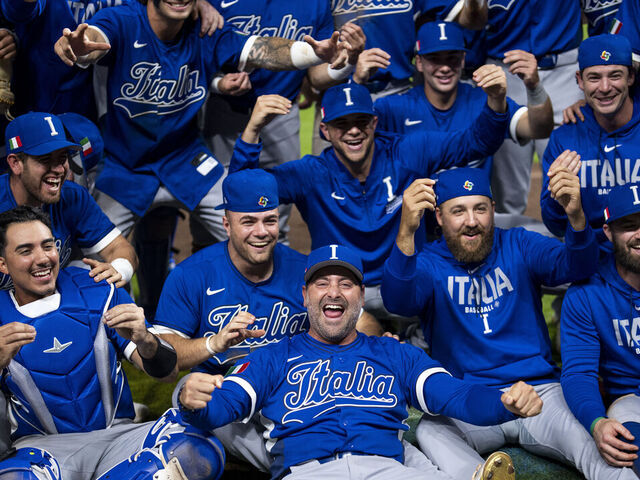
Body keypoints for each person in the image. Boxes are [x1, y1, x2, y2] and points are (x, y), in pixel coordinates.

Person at [53, 0, 350, 318]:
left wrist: (316, 54)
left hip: (186, 161)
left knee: (255, 231)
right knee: (86, 252)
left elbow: (260, 48)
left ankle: (275, 318)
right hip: (125, 167)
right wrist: (81, 47)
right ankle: (91, 332)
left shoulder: (206, 31)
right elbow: (95, 40)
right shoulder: (123, 19)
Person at [177, 244, 545, 480]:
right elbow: (221, 409)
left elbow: (457, 396)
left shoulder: (395, 353)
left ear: (360, 297)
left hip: (387, 469)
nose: (334, 292)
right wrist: (193, 403)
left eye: (346, 284)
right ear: (305, 296)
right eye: (322, 283)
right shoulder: (273, 357)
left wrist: (504, 403)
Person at [381, 167, 636, 479]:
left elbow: (577, 266)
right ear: (439, 216)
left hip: (538, 393)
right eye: (458, 211)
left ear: (493, 210)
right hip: (470, 398)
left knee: (594, 448)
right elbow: (397, 301)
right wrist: (406, 230)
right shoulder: (429, 264)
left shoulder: (519, 244)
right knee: (431, 431)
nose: (471, 221)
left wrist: (576, 218)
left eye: (480, 209)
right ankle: (481, 475)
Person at [229, 79, 510, 320]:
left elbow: (476, 142)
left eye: (361, 121)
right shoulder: (311, 174)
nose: (353, 131)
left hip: (406, 280)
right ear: (325, 131)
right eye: (342, 124)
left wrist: (496, 100)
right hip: (344, 292)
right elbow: (243, 194)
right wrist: (253, 129)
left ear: (374, 123)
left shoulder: (407, 152)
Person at [0, 206, 225, 480]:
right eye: (26, 251)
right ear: (2, 263)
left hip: (118, 438)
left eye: (48, 246)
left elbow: (167, 373)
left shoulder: (97, 288)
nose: (42, 258)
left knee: (199, 451)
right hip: (42, 455)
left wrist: (145, 339)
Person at [153, 169, 308, 471]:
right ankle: (298, 465)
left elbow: (356, 321)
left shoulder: (303, 269)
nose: (261, 232)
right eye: (248, 221)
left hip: (288, 389)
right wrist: (214, 343)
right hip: (219, 386)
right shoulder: (192, 275)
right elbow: (164, 353)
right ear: (226, 224)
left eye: (270, 220)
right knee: (193, 393)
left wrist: (372, 333)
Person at [372, 21, 553, 180]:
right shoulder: (395, 106)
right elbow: (354, 138)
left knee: (529, 221)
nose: (444, 67)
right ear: (419, 62)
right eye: (434, 59)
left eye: (452, 58)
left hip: (471, 210)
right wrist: (355, 80)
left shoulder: (485, 99)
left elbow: (539, 128)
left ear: (463, 59)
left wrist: (534, 86)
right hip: (420, 212)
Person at [0, 112, 137, 291]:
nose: (58, 169)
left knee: (93, 278)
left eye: (62, 158)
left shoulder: (72, 196)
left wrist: (118, 269)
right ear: (16, 163)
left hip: (46, 301)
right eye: (45, 159)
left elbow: (119, 248)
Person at [561, 182, 640, 474]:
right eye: (629, 226)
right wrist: (597, 422)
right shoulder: (586, 294)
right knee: (627, 447)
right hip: (631, 402)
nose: (639, 234)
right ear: (608, 232)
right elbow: (579, 373)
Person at [484, 0, 585, 214]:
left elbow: (596, 12)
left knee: (569, 179)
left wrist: (591, 80)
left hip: (564, 71)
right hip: (504, 70)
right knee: (507, 194)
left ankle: (573, 244)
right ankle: (507, 245)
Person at [541, 34, 640, 250]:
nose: (604, 88)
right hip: (589, 259)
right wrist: (558, 201)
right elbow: (556, 226)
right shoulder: (564, 140)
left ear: (631, 77)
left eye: (615, 76)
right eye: (594, 77)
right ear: (579, 80)